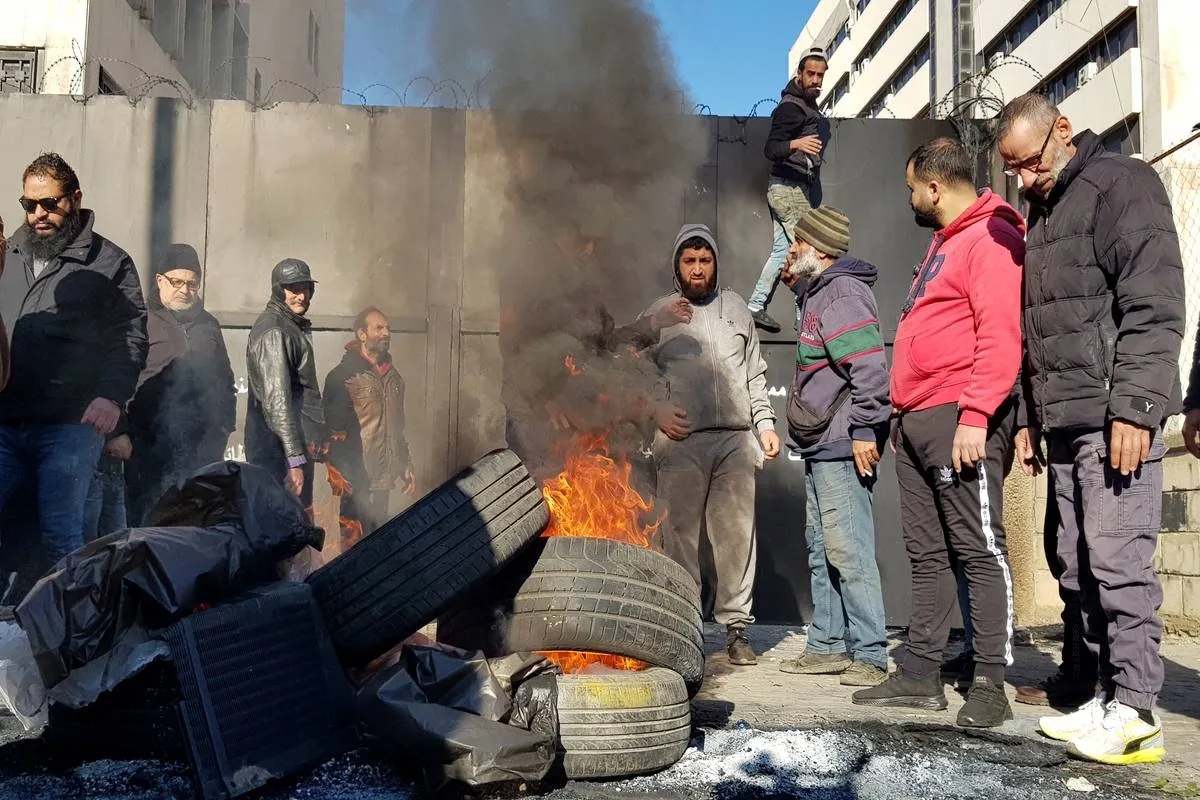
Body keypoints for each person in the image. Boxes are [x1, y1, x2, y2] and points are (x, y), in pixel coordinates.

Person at [998, 93, 1184, 764]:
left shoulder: (1123, 185)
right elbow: (1038, 326)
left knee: (1117, 562)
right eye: (1013, 168)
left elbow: (1153, 301)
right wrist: (1030, 418)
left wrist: (1136, 407)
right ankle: (1109, 698)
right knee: (1076, 566)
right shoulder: (1045, 210)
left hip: (1113, 418)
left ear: (1063, 130)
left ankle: (1137, 711)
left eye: (1030, 162)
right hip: (1065, 421)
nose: (1024, 178)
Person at [851, 137, 1024, 729]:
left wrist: (975, 416)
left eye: (910, 190)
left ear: (933, 187)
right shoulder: (946, 242)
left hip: (958, 417)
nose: (908, 200)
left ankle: (991, 682)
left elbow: (1000, 333)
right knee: (926, 554)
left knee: (979, 548)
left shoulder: (991, 238)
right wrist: (900, 417)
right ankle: (921, 674)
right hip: (918, 420)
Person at [0, 153, 148, 564]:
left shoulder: (110, 262)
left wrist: (111, 396)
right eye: (29, 204)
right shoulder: (8, 252)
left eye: (50, 203)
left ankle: (73, 606)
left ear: (76, 198)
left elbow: (131, 335)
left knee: (61, 533)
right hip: (6, 420)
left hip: (69, 425)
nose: (38, 214)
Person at [644, 223, 780, 666]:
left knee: (736, 538)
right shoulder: (659, 314)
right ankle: (685, 629)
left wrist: (765, 424)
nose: (698, 269)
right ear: (677, 266)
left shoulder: (737, 309)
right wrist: (656, 411)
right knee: (679, 540)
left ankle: (737, 630)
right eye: (690, 261)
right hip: (680, 443)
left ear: (716, 263)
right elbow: (634, 374)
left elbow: (754, 374)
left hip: (735, 442)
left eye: (705, 260)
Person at [773, 206, 891, 687]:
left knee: (849, 550)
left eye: (798, 242)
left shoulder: (842, 294)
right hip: (823, 444)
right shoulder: (823, 291)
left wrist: (864, 430)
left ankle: (871, 654)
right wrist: (798, 288)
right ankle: (827, 645)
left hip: (843, 444)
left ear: (819, 249)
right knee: (822, 547)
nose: (791, 248)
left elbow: (869, 370)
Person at [124, 244, 237, 525]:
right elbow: (121, 378)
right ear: (160, 280)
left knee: (192, 522)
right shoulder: (139, 320)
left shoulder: (208, 324)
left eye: (192, 284)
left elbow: (226, 380)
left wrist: (224, 426)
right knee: (148, 522)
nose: (185, 290)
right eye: (177, 282)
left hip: (200, 448)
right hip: (147, 448)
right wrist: (121, 432)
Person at [746, 47, 829, 334]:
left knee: (783, 250)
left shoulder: (805, 105)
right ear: (799, 74)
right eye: (811, 74)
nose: (816, 80)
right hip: (789, 188)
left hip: (788, 188)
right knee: (807, 249)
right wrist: (797, 144)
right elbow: (771, 148)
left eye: (820, 75)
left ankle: (755, 306)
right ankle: (804, 315)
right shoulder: (791, 107)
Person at [323, 308, 415, 550]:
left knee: (380, 548)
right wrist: (344, 473)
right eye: (379, 328)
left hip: (384, 481)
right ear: (362, 334)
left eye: (388, 328)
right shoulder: (343, 376)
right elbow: (332, 430)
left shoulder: (395, 378)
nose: (386, 333)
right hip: (356, 480)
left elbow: (398, 427)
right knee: (353, 549)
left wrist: (405, 464)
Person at [245, 259, 324, 508]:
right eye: (293, 289)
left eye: (305, 288)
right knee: (286, 523)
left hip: (287, 449)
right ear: (279, 291)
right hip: (278, 454)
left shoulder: (288, 326)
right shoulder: (275, 331)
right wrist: (294, 460)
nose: (301, 296)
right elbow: (277, 402)